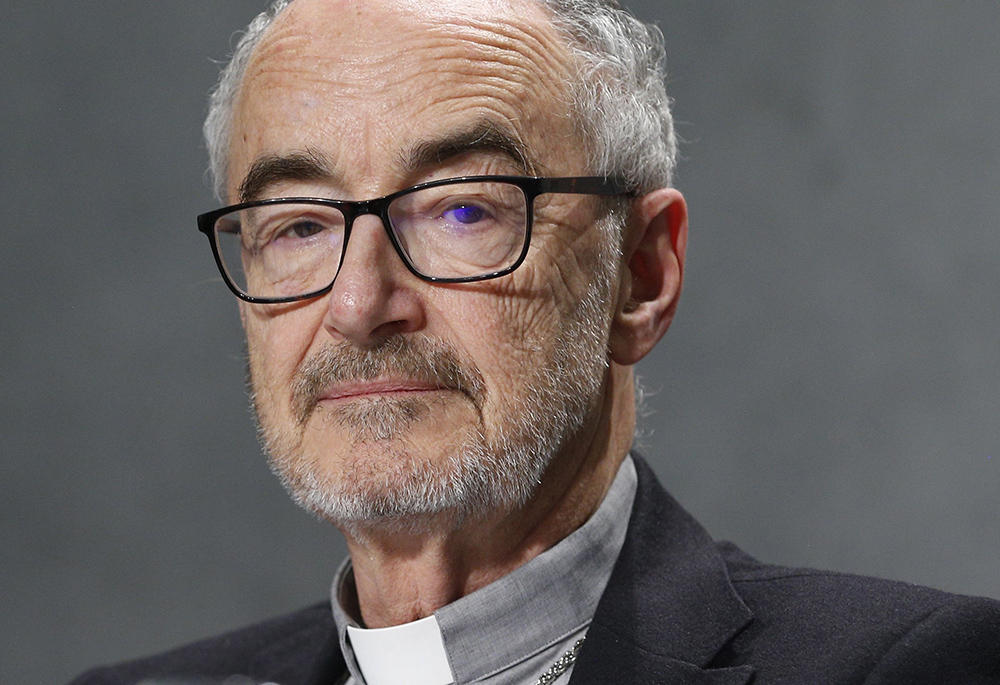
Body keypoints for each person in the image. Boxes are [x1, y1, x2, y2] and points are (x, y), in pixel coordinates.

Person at [71, 0, 1000, 683]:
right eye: (297, 226)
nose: (358, 303)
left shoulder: (910, 667)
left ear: (640, 273)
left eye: (462, 208)